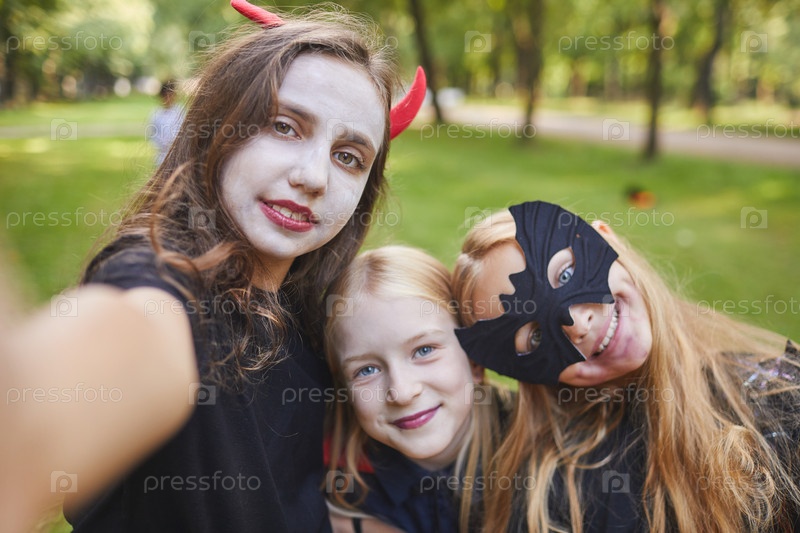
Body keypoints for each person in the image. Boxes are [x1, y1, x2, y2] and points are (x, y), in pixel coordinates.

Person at [0, 1, 426, 531]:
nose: (314, 176)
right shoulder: (168, 295)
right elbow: (35, 422)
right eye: (284, 126)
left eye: (348, 156)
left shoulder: (307, 310)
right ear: (217, 125)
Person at [452, 201, 800, 532]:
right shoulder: (553, 499)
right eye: (536, 337)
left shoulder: (781, 404)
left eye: (567, 274)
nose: (578, 325)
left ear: (607, 238)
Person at [323, 246, 512, 533]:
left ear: (474, 358)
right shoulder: (344, 490)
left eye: (424, 350)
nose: (402, 392)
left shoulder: (540, 450)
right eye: (367, 370)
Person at [146, 79, 185, 166]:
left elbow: (184, 130)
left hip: (177, 154)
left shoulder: (180, 111)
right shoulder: (156, 114)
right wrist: (161, 142)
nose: (168, 99)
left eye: (171, 95)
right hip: (162, 155)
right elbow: (152, 134)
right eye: (166, 96)